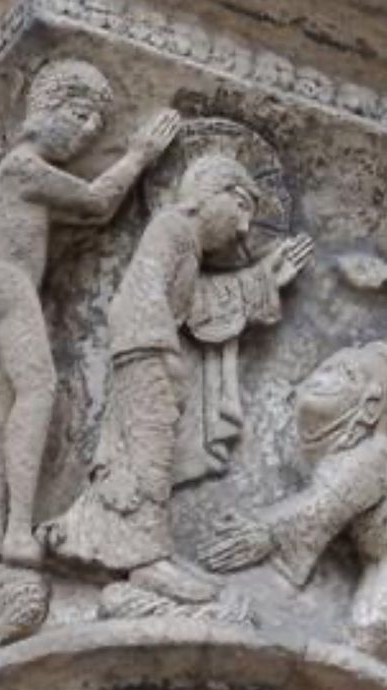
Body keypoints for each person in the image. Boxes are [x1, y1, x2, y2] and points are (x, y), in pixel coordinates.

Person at [46, 154, 313, 602]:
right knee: (149, 458)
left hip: (146, 356)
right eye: (241, 207)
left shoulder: (186, 243)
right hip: (144, 357)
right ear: (209, 193)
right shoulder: (170, 228)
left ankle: (79, 537)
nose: (244, 228)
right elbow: (139, 295)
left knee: (135, 458)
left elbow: (195, 303)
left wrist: (262, 280)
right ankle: (147, 562)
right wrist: (160, 355)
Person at [0, 59, 179, 566]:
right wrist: (138, 155)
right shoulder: (22, 166)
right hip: (10, 286)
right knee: (38, 390)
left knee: (4, 402)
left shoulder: (23, 177)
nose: (87, 132)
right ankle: (18, 528)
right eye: (80, 115)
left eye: (96, 125)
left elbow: (82, 219)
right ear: (45, 107)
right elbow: (95, 201)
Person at [200, 340, 387, 631]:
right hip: (373, 553)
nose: (325, 378)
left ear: (370, 406)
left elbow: (318, 510)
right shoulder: (333, 443)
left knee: (372, 629)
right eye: (328, 368)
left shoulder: (370, 458)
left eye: (346, 375)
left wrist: (263, 529)